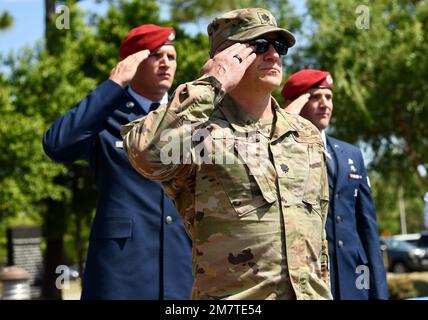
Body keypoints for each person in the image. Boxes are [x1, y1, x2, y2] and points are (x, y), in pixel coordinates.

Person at [121, 8, 332, 300]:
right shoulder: (197, 130)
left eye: (278, 46)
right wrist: (212, 82)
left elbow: (318, 243)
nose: (273, 55)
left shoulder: (305, 135)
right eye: (259, 46)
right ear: (226, 56)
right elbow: (146, 155)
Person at [42, 24, 193, 299]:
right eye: (156, 55)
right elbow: (57, 145)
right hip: (122, 273)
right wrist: (113, 85)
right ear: (132, 62)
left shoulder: (190, 116)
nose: (166, 63)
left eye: (171, 57)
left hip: (184, 270)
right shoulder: (106, 115)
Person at [281, 69, 388, 300]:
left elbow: (367, 228)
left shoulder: (352, 155)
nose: (325, 104)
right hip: (308, 278)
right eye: (315, 97)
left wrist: (379, 293)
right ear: (296, 102)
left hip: (356, 277)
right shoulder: (282, 152)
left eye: (328, 98)